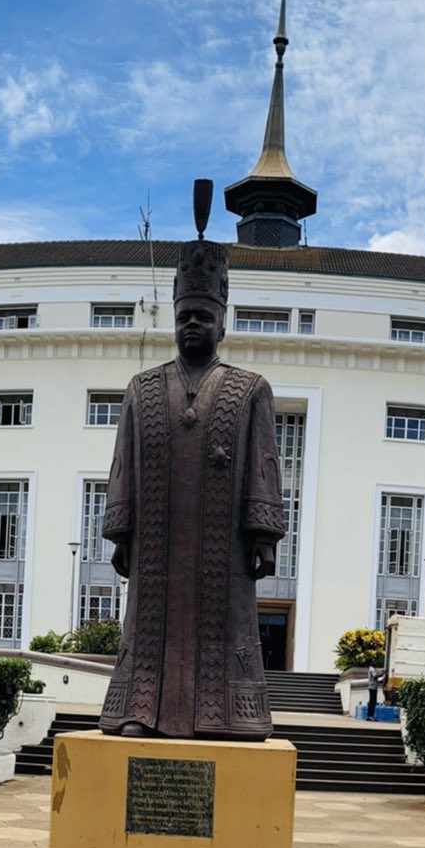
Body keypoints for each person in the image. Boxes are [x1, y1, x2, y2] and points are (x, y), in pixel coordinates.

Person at [97, 185, 285, 741]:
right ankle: (140, 710)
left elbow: (266, 463)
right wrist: (121, 530)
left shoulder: (250, 389)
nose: (193, 325)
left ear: (222, 322)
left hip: (221, 543)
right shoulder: (143, 388)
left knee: (225, 624)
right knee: (149, 623)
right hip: (159, 540)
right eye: (186, 316)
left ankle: (226, 715)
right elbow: (122, 465)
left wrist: (264, 533)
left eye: (204, 316)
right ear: (173, 319)